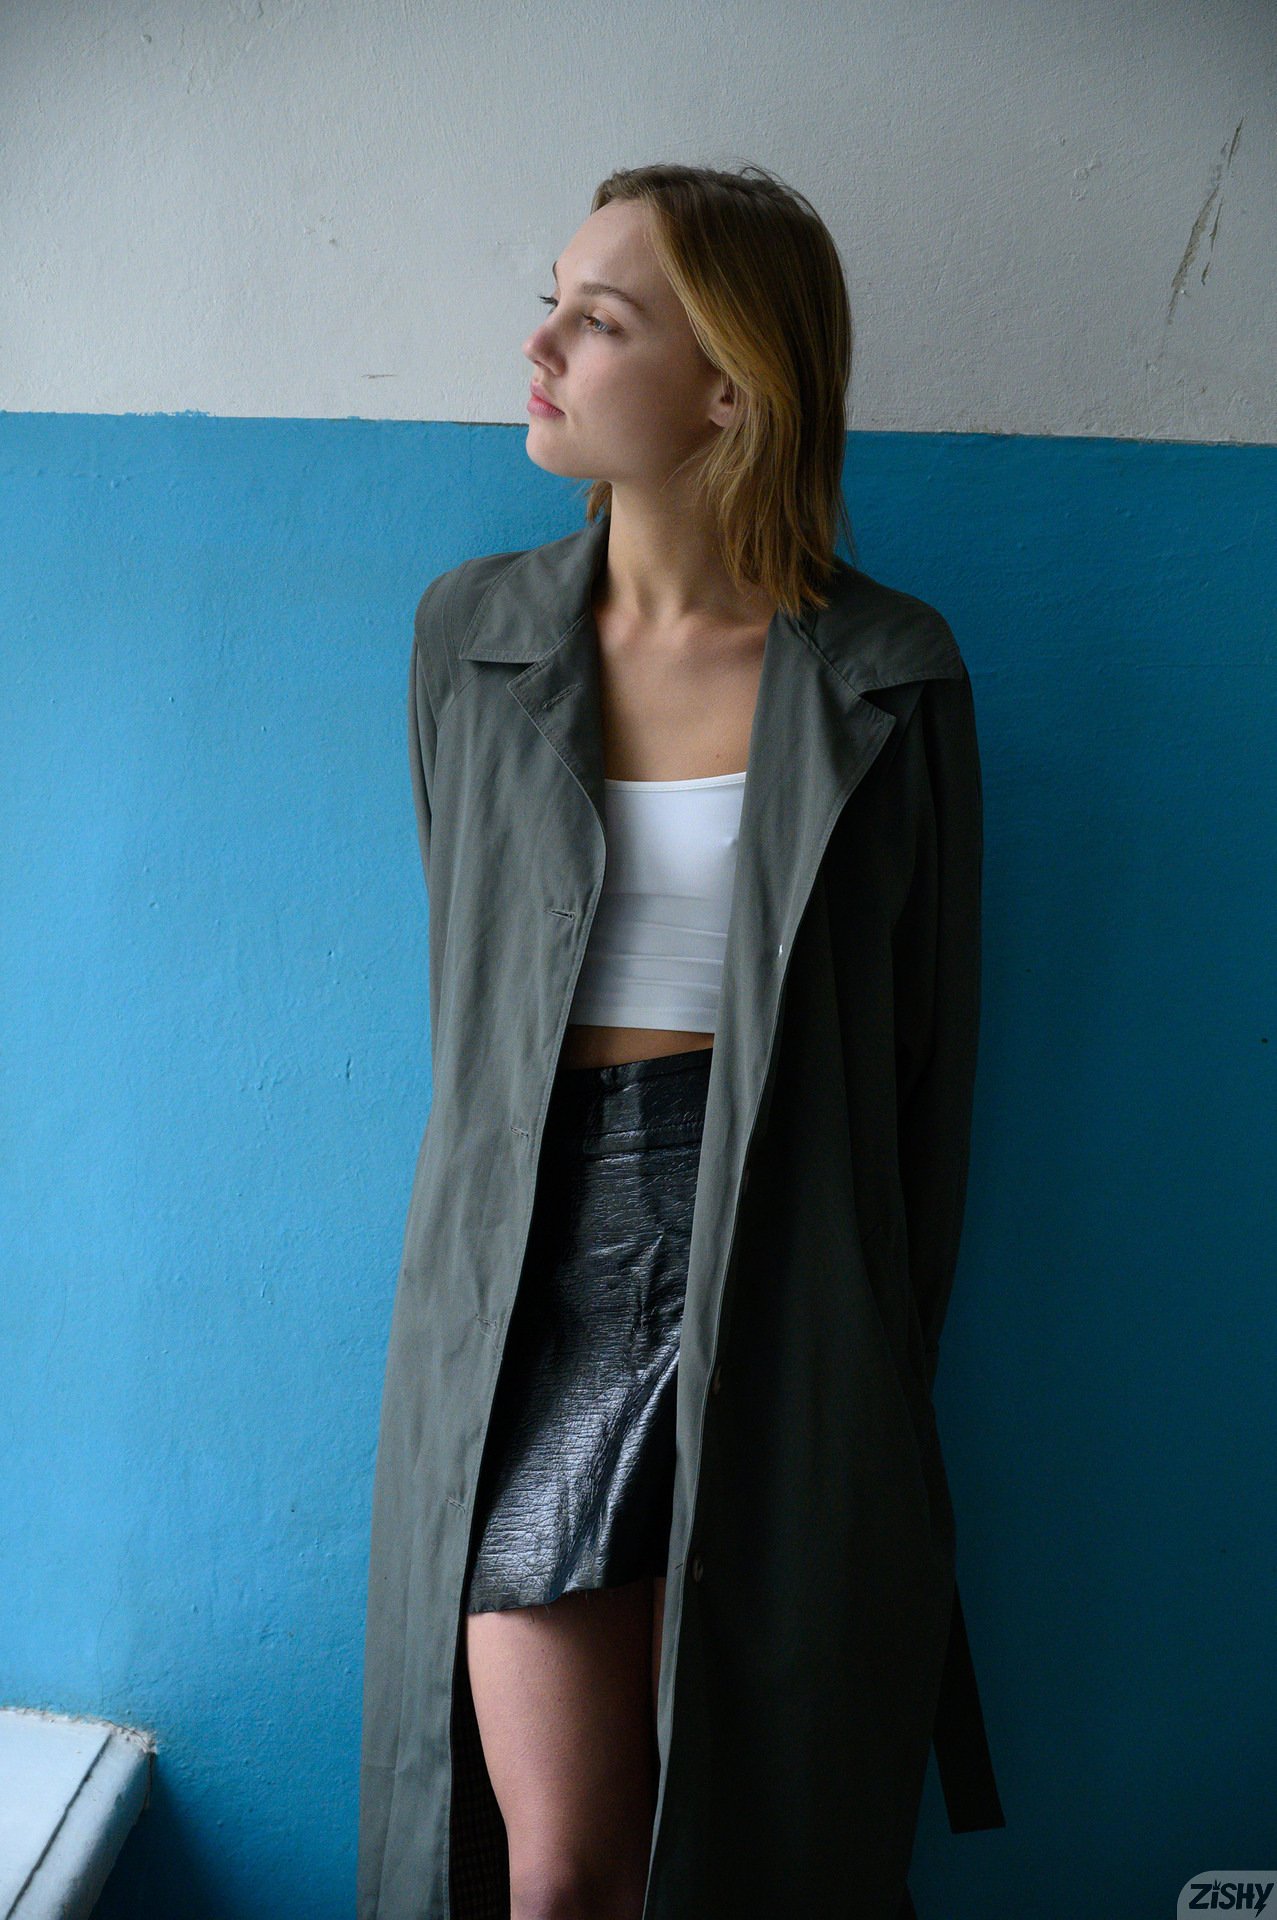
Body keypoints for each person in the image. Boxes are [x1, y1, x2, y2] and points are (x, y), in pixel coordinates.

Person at [358, 162, 1003, 1920]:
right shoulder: (470, 637)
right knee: (557, 1870)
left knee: (749, 1851)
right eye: (553, 302)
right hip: (532, 1270)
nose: (540, 347)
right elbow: (473, 984)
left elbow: (925, 1073)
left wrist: (870, 1354)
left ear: (729, 388)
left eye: (599, 319)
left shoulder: (887, 673)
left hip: (777, 1257)